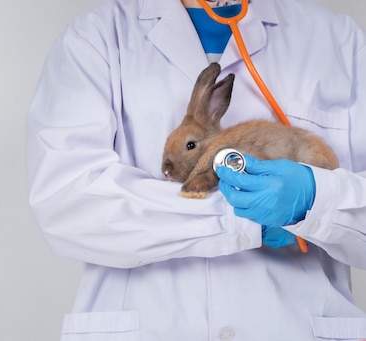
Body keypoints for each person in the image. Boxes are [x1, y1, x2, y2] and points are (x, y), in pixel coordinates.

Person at [26, 0, 366, 339]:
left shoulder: (338, 40)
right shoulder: (96, 36)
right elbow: (67, 203)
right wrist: (240, 218)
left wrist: (316, 198)